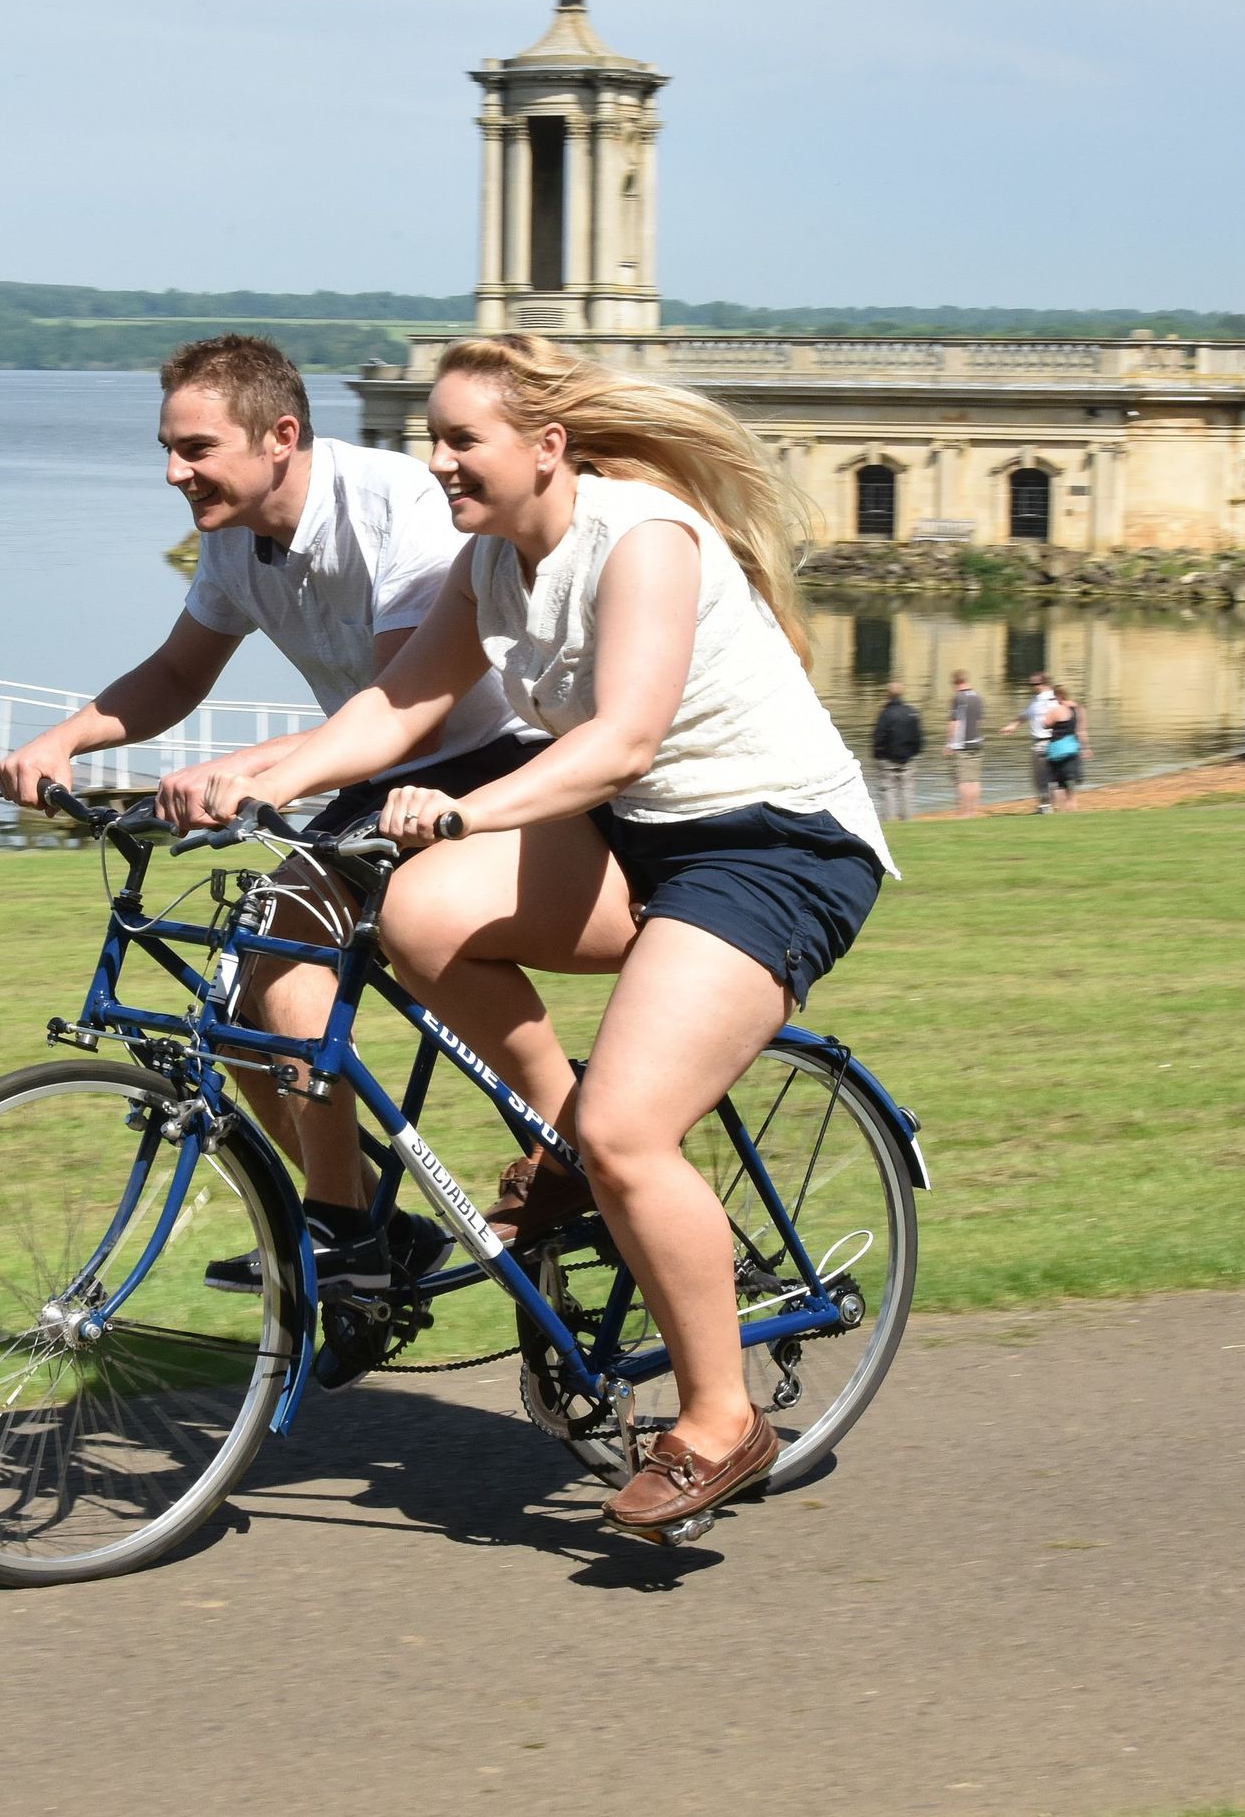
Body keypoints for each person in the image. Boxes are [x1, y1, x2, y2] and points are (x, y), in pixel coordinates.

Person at [200, 334, 896, 1536]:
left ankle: (721, 1416)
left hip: (773, 848)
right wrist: (257, 775)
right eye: (433, 437)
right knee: (417, 908)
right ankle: (562, 1142)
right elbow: (394, 708)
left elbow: (622, 740)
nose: (438, 462)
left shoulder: (644, 544)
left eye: (460, 439)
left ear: (547, 447)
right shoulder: (493, 562)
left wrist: (469, 808)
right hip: (640, 839)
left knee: (634, 1132)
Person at [0, 333, 543, 1306]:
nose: (174, 472)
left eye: (196, 448)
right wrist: (65, 740)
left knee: (286, 941)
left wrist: (251, 772)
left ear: (280, 436)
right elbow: (175, 673)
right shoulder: (232, 538)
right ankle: (364, 1222)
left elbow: (400, 699)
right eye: (170, 447)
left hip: (477, 769)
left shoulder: (394, 505)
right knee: (241, 997)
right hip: (370, 772)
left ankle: (345, 1235)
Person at [1001, 671, 1058, 814]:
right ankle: (1045, 804)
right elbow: (1025, 715)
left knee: (1043, 775)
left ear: (1044, 683)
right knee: (1038, 776)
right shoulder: (1036, 699)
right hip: (1037, 741)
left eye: (1035, 684)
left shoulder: (1051, 700)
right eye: (1030, 684)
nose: (1032, 687)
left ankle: (1047, 806)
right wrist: (1013, 725)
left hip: (1047, 740)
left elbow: (1059, 717)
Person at [869, 680, 923, 821]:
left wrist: (878, 754)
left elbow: (878, 737)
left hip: (887, 759)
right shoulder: (912, 713)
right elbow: (918, 737)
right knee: (907, 789)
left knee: (888, 790)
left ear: (888, 695)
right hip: (908, 758)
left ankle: (889, 820)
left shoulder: (886, 714)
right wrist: (914, 753)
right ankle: (908, 819)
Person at [944, 668, 985, 817]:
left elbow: (954, 722)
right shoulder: (978, 697)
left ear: (955, 683)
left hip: (962, 745)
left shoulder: (958, 698)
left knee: (963, 779)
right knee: (974, 779)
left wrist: (949, 743)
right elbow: (980, 721)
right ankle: (974, 810)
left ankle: (965, 811)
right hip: (977, 742)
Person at [1042, 683, 1090, 811]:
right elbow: (1082, 731)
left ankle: (1062, 812)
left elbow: (1045, 724)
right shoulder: (1079, 709)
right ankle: (1073, 810)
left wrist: (1049, 713)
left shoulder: (1058, 710)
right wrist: (1086, 748)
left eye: (1053, 698)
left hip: (1057, 750)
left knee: (1059, 785)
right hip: (1073, 749)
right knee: (1071, 786)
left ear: (1059, 696)